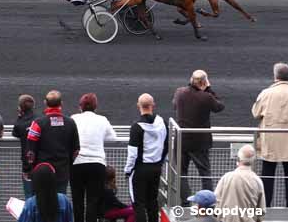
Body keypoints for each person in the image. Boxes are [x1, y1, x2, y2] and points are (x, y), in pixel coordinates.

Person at [252, 62, 288, 207]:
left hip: (270, 141)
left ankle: (265, 206)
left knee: (267, 175)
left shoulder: (266, 93)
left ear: (275, 77)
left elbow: (255, 113)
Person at [172, 70, 225, 204]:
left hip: (182, 141)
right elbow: (219, 106)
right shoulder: (206, 97)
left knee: (181, 173)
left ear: (191, 80)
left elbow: (174, 105)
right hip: (200, 143)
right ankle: (208, 203)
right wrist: (209, 89)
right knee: (205, 173)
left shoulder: (179, 92)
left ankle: (185, 202)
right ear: (204, 82)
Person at [70, 93, 117, 222]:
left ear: (81, 106)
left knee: (77, 200)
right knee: (93, 201)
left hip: (77, 163)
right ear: (95, 106)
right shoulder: (102, 120)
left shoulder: (73, 118)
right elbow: (113, 137)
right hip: (97, 164)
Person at [26, 90, 80, 194]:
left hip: (42, 170)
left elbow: (30, 151)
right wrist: (68, 164)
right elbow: (76, 150)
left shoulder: (37, 123)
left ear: (45, 103)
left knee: (41, 201)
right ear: (61, 103)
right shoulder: (71, 123)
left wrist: (31, 168)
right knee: (60, 201)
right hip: (62, 170)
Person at [124, 93, 168, 222]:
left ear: (139, 106)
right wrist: (160, 162)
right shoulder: (162, 123)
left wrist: (128, 170)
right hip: (156, 168)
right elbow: (167, 145)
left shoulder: (136, 127)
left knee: (138, 203)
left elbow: (132, 153)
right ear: (153, 105)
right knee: (152, 201)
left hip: (140, 169)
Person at [214, 145, 265, 222]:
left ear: (238, 159)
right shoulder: (257, 181)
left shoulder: (226, 177)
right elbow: (261, 211)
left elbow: (216, 202)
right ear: (253, 160)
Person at [13, 94, 37, 198]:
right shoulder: (40, 120)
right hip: (40, 162)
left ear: (20, 108)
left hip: (27, 164)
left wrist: (19, 117)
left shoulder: (20, 124)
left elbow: (15, 133)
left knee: (29, 195)